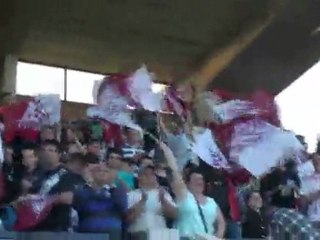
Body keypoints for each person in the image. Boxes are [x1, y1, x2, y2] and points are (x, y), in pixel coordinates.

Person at [159, 142, 226, 239]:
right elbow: (175, 172)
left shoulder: (211, 201)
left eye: (201, 179)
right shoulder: (184, 195)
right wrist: (167, 152)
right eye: (195, 180)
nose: (199, 182)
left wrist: (218, 236)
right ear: (188, 183)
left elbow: (221, 222)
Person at [58, 164, 127, 239]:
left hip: (112, 230)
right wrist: (92, 188)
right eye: (99, 171)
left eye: (106, 171)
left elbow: (123, 206)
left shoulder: (117, 191)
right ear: (92, 173)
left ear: (110, 174)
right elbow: (79, 204)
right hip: (88, 230)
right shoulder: (83, 189)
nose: (102, 173)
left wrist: (111, 187)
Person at [31, 140, 84, 231]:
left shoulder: (67, 174)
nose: (46, 153)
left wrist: (43, 200)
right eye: (43, 150)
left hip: (57, 226)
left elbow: (68, 197)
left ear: (59, 155)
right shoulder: (38, 175)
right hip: (37, 225)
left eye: (51, 150)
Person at [127, 166, 177, 237]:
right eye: (146, 174)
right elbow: (128, 218)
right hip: (138, 234)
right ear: (139, 177)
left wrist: (163, 200)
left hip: (160, 234)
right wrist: (142, 201)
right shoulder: (131, 194)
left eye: (152, 174)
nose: (149, 177)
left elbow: (174, 215)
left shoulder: (164, 194)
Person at [299, 153, 320, 228]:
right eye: (315, 161)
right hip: (314, 220)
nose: (317, 163)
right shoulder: (306, 179)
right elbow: (303, 202)